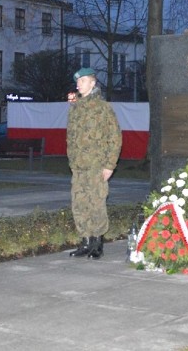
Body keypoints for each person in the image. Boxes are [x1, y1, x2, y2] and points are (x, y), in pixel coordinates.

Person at [66, 67, 122, 259]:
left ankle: (97, 243)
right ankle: (85, 241)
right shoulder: (75, 109)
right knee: (79, 204)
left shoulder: (103, 108)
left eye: (82, 81)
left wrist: (109, 165)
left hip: (97, 166)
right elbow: (70, 137)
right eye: (77, 82)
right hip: (79, 167)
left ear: (92, 83)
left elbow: (115, 138)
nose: (78, 85)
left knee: (96, 203)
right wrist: (72, 162)